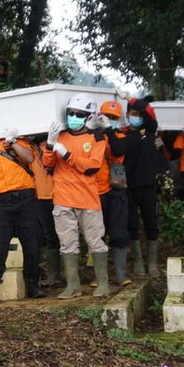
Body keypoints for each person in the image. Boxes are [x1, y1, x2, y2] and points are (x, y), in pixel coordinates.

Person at [42, 94, 110, 298]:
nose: (73, 117)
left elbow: (92, 167)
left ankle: (104, 284)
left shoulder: (97, 138)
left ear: (89, 116)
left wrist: (67, 155)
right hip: (62, 198)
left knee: (95, 240)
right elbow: (47, 165)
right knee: (67, 243)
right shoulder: (60, 135)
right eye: (70, 113)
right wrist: (50, 144)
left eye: (79, 114)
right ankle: (73, 286)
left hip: (87, 199)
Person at [0, 112, 44, 301]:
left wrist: (13, 142)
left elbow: (29, 158)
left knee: (31, 241)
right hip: (2, 201)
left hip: (26, 198)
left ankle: (33, 283)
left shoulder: (15, 141)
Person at [120, 97, 163, 278]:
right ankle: (138, 261)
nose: (135, 117)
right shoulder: (122, 133)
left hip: (147, 184)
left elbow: (149, 111)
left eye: (138, 114)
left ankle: (152, 262)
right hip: (128, 186)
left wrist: (131, 99)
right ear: (127, 115)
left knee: (151, 223)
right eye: (132, 114)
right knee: (131, 224)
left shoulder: (149, 130)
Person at [92, 100, 132, 286]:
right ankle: (99, 276)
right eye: (107, 117)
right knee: (97, 234)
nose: (110, 120)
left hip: (116, 189)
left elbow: (119, 149)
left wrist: (108, 129)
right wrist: (95, 129)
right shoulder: (92, 134)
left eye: (114, 118)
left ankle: (121, 274)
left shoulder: (121, 136)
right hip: (95, 191)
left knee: (118, 232)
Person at [28, 135, 60, 286]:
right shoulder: (29, 148)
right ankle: (55, 275)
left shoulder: (55, 143)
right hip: (40, 197)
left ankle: (68, 274)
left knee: (65, 235)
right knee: (49, 236)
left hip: (59, 195)